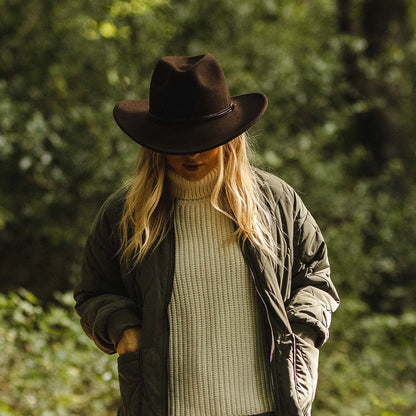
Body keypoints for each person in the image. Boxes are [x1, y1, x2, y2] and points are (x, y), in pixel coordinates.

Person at [73, 53, 340, 416]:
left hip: (268, 408)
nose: (194, 154)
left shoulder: (275, 201)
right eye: (179, 142)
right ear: (155, 142)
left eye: (205, 139)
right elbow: (94, 292)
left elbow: (315, 277)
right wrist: (125, 332)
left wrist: (301, 337)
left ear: (229, 137)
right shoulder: (125, 214)